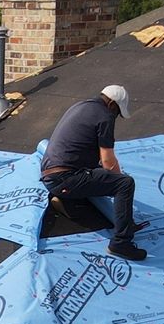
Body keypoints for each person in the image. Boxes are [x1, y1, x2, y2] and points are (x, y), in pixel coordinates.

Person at [42, 83, 145, 261]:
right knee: (125, 184)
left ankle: (66, 201)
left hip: (50, 175)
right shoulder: (105, 116)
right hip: (65, 178)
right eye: (117, 112)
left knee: (96, 174)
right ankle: (121, 243)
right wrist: (117, 181)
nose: (116, 117)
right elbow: (107, 161)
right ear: (112, 104)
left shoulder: (81, 106)